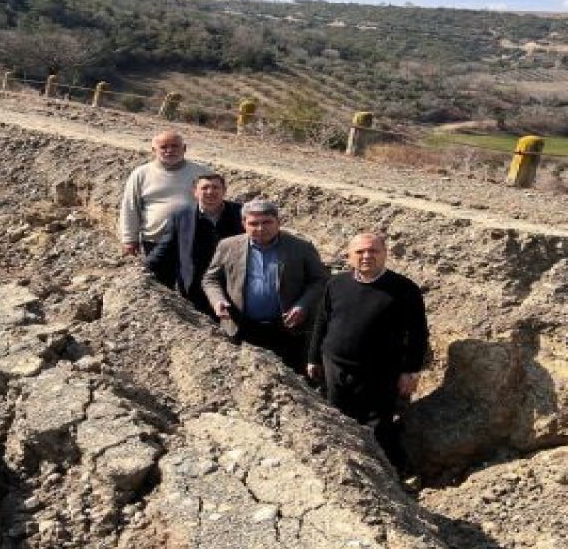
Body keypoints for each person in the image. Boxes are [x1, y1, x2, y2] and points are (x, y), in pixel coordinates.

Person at [307, 232, 428, 470]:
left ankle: (385, 474)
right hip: (336, 366)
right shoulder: (336, 283)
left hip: (380, 371)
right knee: (338, 418)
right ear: (349, 256)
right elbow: (322, 321)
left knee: (377, 424)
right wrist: (313, 358)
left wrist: (411, 371)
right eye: (360, 251)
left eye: (373, 251)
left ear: (385, 254)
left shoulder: (404, 289)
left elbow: (418, 334)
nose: (366, 256)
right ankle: (344, 468)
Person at [201, 199, 328, 372]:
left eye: (267, 222)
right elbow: (211, 279)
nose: (260, 228)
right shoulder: (228, 246)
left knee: (290, 378)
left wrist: (302, 305)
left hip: (286, 328)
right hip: (241, 327)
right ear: (244, 224)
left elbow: (319, 280)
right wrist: (218, 301)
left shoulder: (301, 247)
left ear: (278, 222)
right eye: (253, 223)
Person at [145, 173, 243, 314]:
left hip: (233, 284)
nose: (210, 192)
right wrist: (144, 269)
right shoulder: (181, 216)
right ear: (195, 192)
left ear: (224, 191)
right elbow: (165, 248)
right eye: (205, 188)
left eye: (215, 187)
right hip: (194, 287)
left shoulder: (240, 213)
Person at [117, 131, 212, 276]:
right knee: (161, 284)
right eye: (164, 147)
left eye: (175, 146)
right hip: (154, 241)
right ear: (154, 150)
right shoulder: (141, 174)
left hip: (193, 240)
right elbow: (131, 207)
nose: (170, 150)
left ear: (184, 148)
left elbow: (215, 203)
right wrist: (130, 239)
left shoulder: (202, 172)